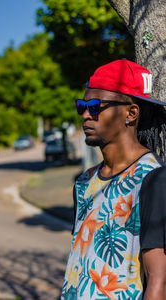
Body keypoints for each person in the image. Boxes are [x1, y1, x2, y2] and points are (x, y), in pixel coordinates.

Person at [61, 59, 166, 300]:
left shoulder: (154, 179)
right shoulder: (84, 183)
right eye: (82, 106)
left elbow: (158, 283)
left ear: (131, 113)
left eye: (96, 106)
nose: (86, 115)